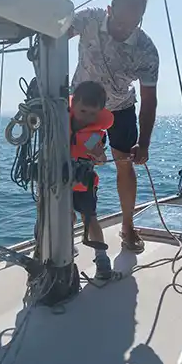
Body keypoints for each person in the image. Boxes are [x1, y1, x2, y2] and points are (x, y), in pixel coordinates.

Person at [69, 0, 159, 254]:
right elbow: (56, 33)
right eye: (119, 21)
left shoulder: (147, 50)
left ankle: (128, 226)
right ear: (109, 10)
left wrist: (143, 142)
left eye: (132, 24)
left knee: (125, 165)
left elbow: (150, 99)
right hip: (82, 107)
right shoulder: (89, 19)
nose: (123, 30)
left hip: (120, 108)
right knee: (73, 162)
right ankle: (67, 225)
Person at [70, 81, 115, 280]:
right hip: (59, 182)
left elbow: (100, 160)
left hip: (84, 184)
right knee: (65, 218)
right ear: (73, 105)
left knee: (91, 220)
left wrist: (99, 156)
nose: (87, 117)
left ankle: (102, 258)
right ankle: (65, 249)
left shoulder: (96, 134)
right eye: (83, 111)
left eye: (92, 114)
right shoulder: (58, 121)